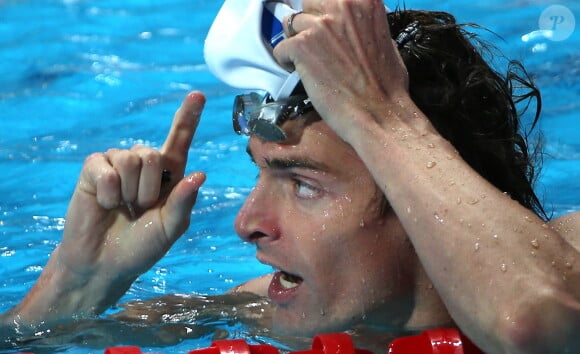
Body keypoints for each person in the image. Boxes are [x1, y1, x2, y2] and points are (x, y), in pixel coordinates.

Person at [1, 1, 579, 353]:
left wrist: (381, 115)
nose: (246, 224)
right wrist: (75, 284)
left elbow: (539, 327)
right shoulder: (261, 314)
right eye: (261, 174)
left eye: (303, 183)